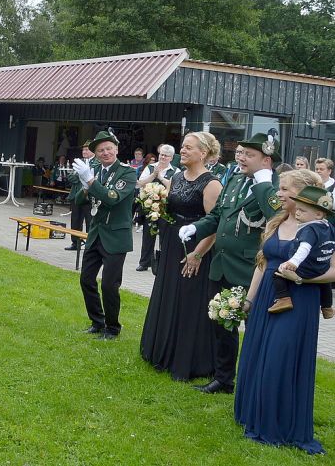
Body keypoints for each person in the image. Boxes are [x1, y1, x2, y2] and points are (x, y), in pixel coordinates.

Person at [234, 169, 326, 454]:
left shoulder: (319, 227)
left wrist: (302, 278)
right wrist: (248, 301)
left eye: (285, 189)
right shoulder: (275, 222)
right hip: (265, 299)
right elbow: (263, 264)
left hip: (299, 300)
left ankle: (280, 422)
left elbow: (333, 268)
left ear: (303, 194)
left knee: (279, 357)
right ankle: (254, 414)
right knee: (257, 353)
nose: (279, 193)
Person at [180, 133, 281, 394]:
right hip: (223, 263)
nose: (241, 158)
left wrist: (263, 184)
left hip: (250, 268)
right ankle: (224, 379)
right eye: (240, 152)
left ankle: (255, 382)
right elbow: (218, 215)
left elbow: (276, 217)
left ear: (266, 160)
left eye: (249, 154)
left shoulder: (274, 185)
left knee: (255, 328)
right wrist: (196, 227)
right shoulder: (235, 179)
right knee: (223, 324)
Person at [139, 132, 223, 381]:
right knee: (169, 295)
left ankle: (188, 359)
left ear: (203, 153)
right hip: (173, 243)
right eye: (182, 147)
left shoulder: (212, 183)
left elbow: (215, 225)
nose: (182, 151)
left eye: (188, 147)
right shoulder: (176, 177)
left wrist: (197, 255)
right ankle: (162, 350)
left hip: (196, 247)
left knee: (188, 302)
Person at [71, 131, 137, 340]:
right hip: (96, 234)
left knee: (109, 285)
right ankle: (97, 322)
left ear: (116, 150)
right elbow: (78, 200)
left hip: (116, 237)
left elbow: (113, 198)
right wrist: (84, 186)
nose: (105, 152)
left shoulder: (127, 172)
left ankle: (112, 327)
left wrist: (91, 182)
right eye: (100, 150)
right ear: (96, 154)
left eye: (109, 148)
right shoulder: (95, 170)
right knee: (86, 279)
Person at [269, 185, 335, 317]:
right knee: (325, 283)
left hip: (304, 268)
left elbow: (304, 248)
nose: (297, 212)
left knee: (277, 273)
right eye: (297, 209)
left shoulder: (309, 229)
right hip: (322, 267)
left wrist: (293, 262)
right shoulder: (328, 227)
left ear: (318, 214)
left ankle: (283, 299)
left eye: (302, 210)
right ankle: (327, 307)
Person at [135, 144, 180, 271]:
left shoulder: (175, 170)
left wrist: (160, 177)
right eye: (161, 155)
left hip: (166, 208)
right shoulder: (150, 167)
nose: (163, 157)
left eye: (166, 156)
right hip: (150, 206)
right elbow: (139, 184)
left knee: (165, 236)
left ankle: (163, 263)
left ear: (171, 158)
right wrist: (153, 175)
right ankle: (144, 262)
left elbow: (174, 187)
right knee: (148, 234)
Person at [65, 141, 96, 251]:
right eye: (83, 150)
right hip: (76, 195)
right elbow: (71, 177)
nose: (84, 152)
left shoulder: (97, 163)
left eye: (87, 149)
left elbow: (93, 178)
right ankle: (75, 243)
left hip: (89, 196)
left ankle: (89, 244)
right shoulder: (80, 162)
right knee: (75, 220)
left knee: (89, 221)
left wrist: (83, 176)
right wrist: (82, 175)